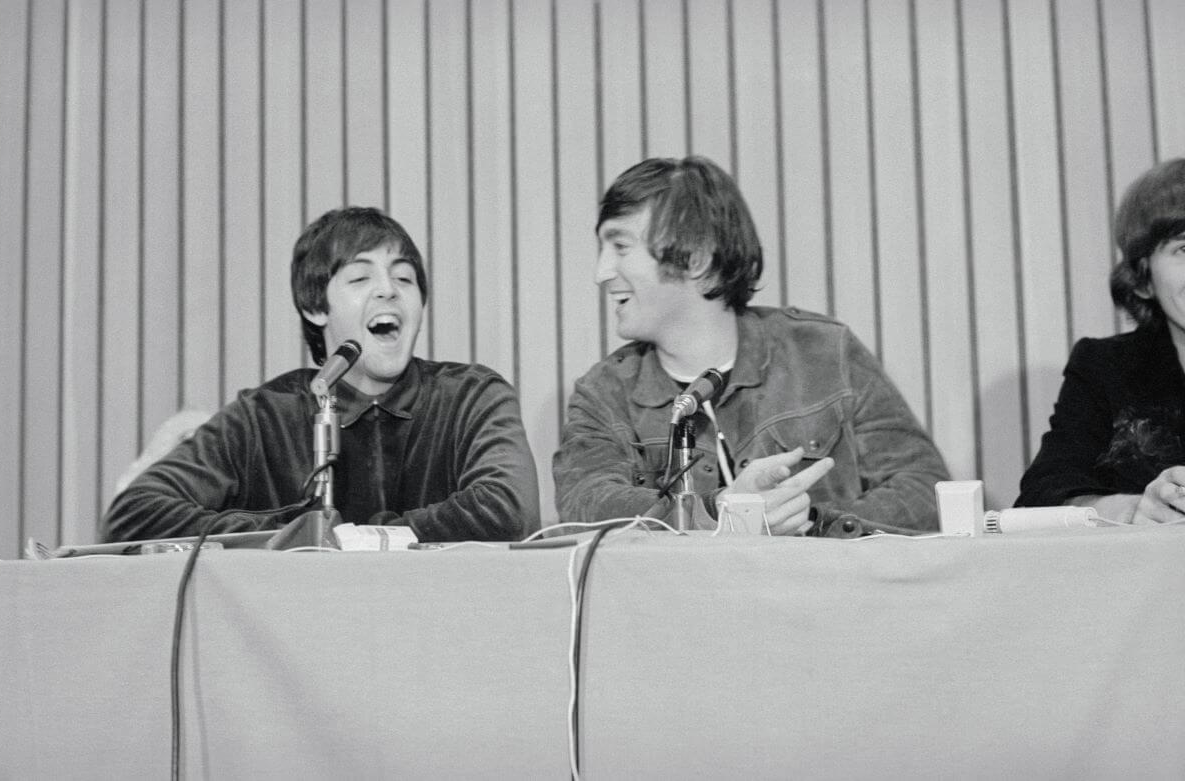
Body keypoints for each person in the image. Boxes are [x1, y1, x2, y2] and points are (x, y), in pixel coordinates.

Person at [553, 156, 948, 534]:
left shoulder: (825, 352)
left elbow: (923, 490)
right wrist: (719, 511)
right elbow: (585, 504)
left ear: (696, 259)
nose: (600, 273)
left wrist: (807, 522)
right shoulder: (604, 393)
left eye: (620, 247)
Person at [103, 206, 540, 542]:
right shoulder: (262, 416)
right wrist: (293, 532)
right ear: (315, 308)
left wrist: (350, 539)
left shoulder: (472, 396)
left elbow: (508, 508)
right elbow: (135, 514)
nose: (388, 289)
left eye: (404, 279)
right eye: (360, 278)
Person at [1017, 158, 1185, 524]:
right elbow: (1039, 501)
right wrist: (1136, 510)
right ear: (1142, 280)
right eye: (1184, 249)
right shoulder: (1105, 367)